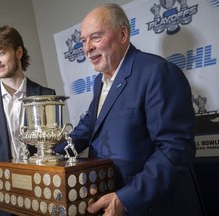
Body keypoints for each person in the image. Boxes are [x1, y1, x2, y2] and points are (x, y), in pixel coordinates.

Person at [56, 3, 205, 216]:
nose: (87, 48)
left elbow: (175, 150)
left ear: (123, 34)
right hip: (109, 201)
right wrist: (47, 154)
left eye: (96, 37)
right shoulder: (100, 82)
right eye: (83, 40)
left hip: (151, 207)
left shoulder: (157, 72)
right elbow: (88, 127)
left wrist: (126, 199)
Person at [0, 25, 55, 216]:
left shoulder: (46, 95)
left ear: (19, 52)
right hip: (0, 203)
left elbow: (54, 148)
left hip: (41, 197)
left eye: (0, 53)